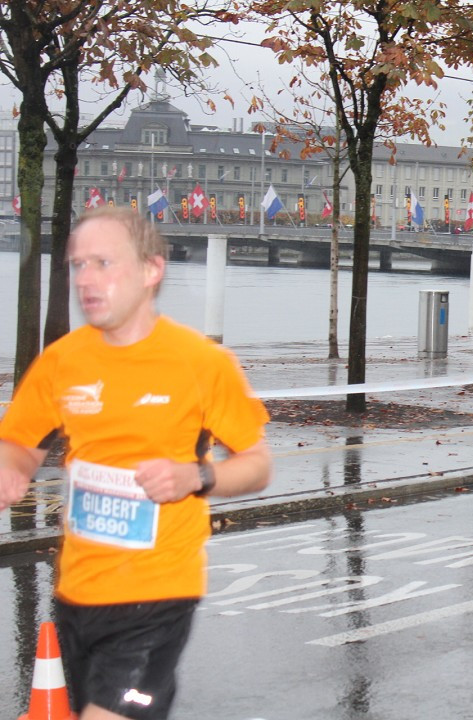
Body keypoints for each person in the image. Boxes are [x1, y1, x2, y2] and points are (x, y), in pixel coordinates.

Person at [0, 207, 272, 719]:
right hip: (76, 594)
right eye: (77, 265)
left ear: (151, 270)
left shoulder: (202, 364)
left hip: (157, 596)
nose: (86, 279)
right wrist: (10, 468)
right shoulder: (62, 361)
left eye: (103, 262)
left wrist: (197, 475)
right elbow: (19, 443)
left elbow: (257, 464)